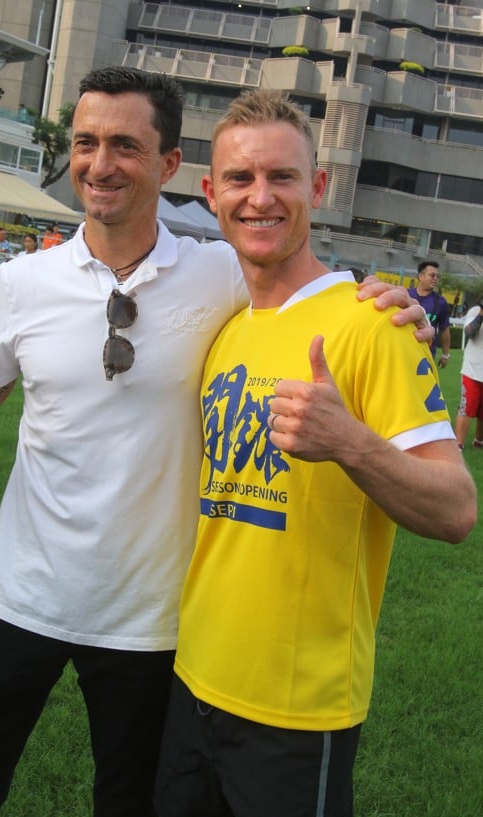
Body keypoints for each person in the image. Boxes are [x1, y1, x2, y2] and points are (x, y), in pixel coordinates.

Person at [0, 68, 432, 817]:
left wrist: (389, 299)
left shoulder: (217, 273)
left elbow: (297, 283)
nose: (100, 162)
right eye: (86, 142)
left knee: (126, 801)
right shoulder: (23, 280)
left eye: (125, 144)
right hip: (17, 595)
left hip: (147, 621)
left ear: (173, 167)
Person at [154, 90, 476, 817]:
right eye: (239, 179)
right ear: (210, 194)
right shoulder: (228, 328)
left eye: (283, 177)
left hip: (298, 707)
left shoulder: (372, 325)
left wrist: (352, 444)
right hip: (193, 676)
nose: (259, 197)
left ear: (318, 187)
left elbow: (457, 508)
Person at [408, 260, 451, 366]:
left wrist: (445, 355)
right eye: (432, 275)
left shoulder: (441, 302)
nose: (435, 278)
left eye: (437, 276)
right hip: (404, 348)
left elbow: (444, 329)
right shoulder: (406, 295)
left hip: (426, 353)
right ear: (421, 276)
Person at [455, 300, 483, 450]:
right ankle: (458, 444)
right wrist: (481, 314)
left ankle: (479, 441)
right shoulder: (474, 312)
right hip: (472, 370)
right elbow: (469, 333)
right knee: (467, 406)